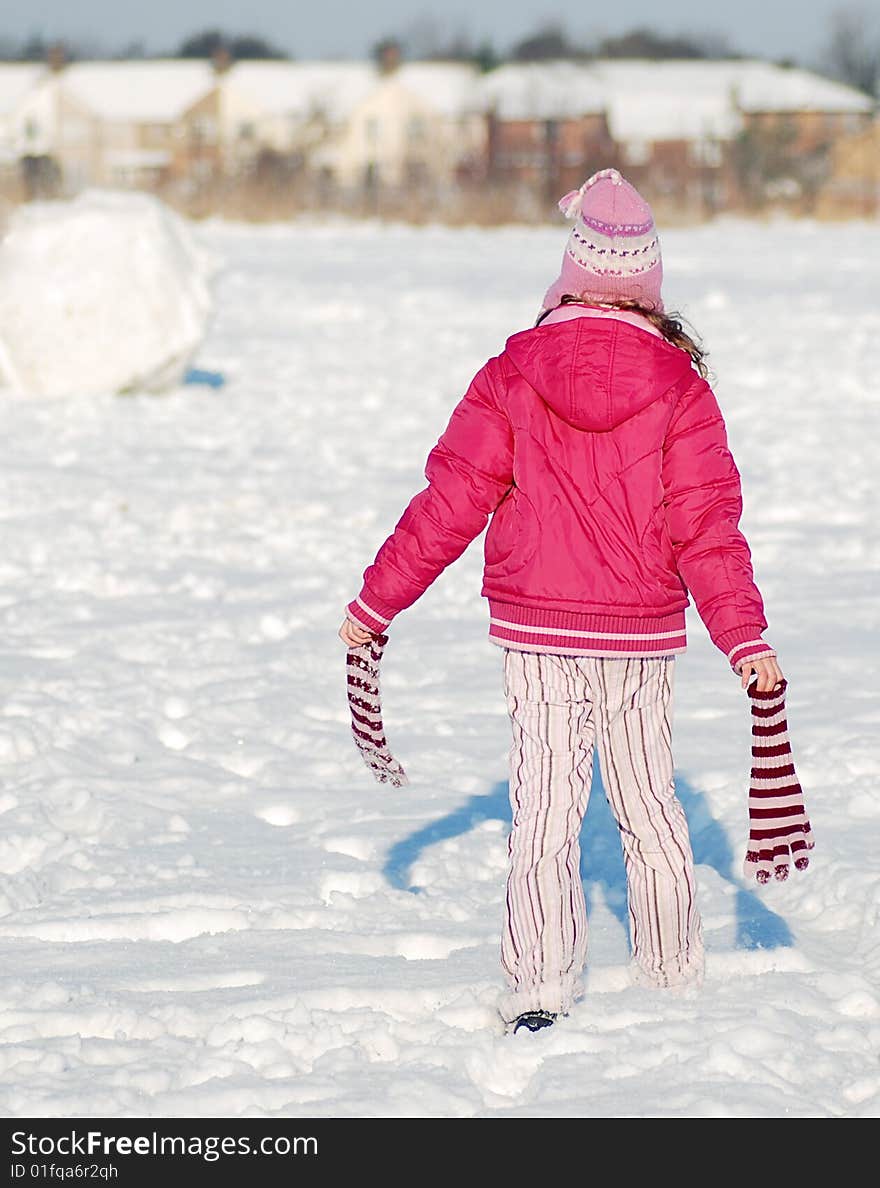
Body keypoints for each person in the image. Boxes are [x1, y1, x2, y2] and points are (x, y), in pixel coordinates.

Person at [339, 168, 783, 1035]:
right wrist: (746, 637)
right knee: (650, 803)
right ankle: (671, 975)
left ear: (572, 273)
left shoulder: (512, 371)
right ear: (647, 284)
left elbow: (451, 501)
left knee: (543, 812)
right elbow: (709, 530)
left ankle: (540, 986)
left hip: (537, 632)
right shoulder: (683, 388)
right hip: (641, 636)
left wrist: (375, 602)